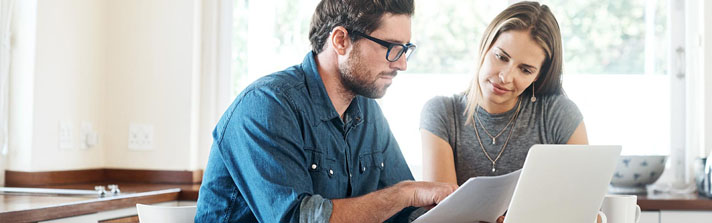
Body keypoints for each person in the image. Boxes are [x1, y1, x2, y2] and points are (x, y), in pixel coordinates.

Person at [195, 0, 457, 222]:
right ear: (341, 40)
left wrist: (461, 212)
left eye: (405, 50)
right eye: (391, 48)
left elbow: (405, 212)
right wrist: (405, 193)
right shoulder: (266, 105)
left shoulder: (368, 113)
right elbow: (295, 218)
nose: (401, 64)